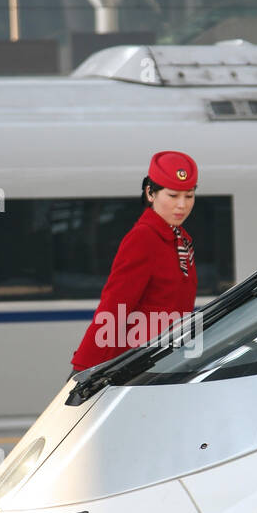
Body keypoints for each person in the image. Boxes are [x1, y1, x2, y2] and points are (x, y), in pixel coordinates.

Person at [70, 150, 198, 374]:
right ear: (150, 193)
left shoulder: (181, 239)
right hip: (139, 368)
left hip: (168, 363)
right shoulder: (143, 239)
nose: (182, 205)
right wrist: (84, 369)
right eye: (173, 195)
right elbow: (114, 306)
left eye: (189, 196)